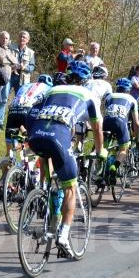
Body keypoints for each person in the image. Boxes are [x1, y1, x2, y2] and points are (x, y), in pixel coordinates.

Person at [26, 60, 104, 258]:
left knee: (49, 168)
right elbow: (97, 128)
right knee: (70, 187)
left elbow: (34, 110)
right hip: (58, 138)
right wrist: (99, 150)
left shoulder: (54, 89)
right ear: (86, 81)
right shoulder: (89, 95)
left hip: (35, 135)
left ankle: (44, 196)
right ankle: (63, 235)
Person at [101, 78, 139, 178]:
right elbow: (136, 122)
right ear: (129, 89)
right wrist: (137, 137)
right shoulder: (132, 99)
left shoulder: (109, 96)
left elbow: (106, 111)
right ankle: (114, 167)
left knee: (105, 147)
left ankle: (101, 168)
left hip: (106, 121)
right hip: (121, 122)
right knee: (123, 149)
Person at [4, 74, 52, 155]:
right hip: (28, 111)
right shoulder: (49, 89)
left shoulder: (26, 85)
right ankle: (27, 160)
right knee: (34, 140)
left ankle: (8, 157)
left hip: (13, 111)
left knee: (10, 142)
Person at [0, 31, 17, 127]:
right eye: (3, 38)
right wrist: (9, 60)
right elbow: (1, 60)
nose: (4, 40)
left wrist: (11, 62)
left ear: (9, 40)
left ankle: (0, 121)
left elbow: (16, 62)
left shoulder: (10, 50)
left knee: (4, 99)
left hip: (8, 78)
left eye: (6, 38)